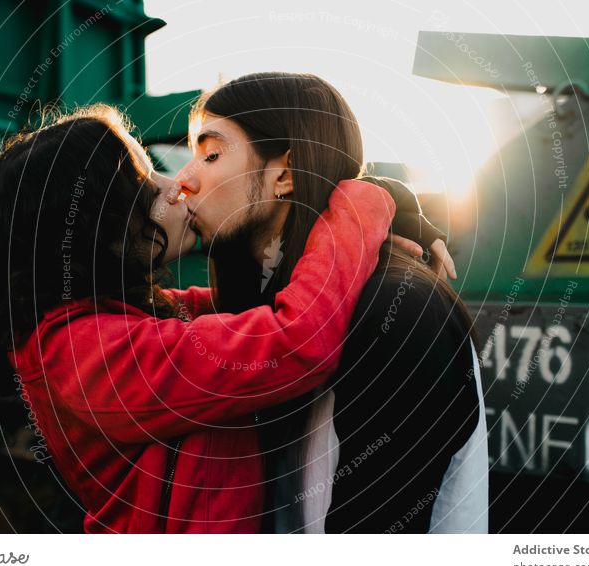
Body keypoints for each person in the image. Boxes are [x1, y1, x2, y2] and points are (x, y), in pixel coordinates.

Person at [0, 103, 428, 533]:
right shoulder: (97, 357)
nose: (178, 186)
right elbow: (296, 339)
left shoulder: (117, 320)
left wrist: (380, 236)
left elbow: (260, 301)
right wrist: (357, 205)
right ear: (97, 225)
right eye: (148, 185)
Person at [172, 72, 488, 533]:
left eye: (211, 154)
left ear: (285, 174)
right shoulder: (266, 302)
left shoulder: (398, 312)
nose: (184, 179)